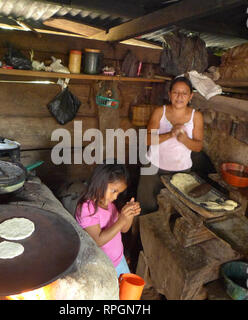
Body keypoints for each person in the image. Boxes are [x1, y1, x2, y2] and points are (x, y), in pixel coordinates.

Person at [137, 76, 204, 215]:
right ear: (169, 94)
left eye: (184, 93)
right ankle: (139, 235)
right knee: (146, 207)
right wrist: (170, 134)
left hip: (181, 171)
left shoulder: (196, 116)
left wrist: (184, 139)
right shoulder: (159, 112)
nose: (179, 97)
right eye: (175, 92)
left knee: (175, 210)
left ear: (190, 96)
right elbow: (147, 140)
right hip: (153, 168)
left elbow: (198, 147)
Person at [75, 163, 141, 276]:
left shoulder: (111, 204)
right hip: (102, 266)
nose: (115, 197)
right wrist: (121, 220)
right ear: (101, 182)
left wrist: (129, 215)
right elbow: (97, 240)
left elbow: (124, 229)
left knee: (126, 292)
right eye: (114, 191)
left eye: (118, 193)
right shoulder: (87, 209)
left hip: (118, 259)